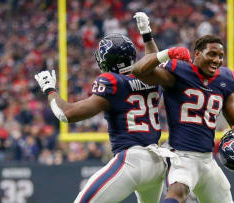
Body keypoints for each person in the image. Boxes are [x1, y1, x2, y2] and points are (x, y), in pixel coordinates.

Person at [34, 12, 187, 203]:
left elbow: (67, 114)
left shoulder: (112, 81)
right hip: (157, 163)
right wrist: (147, 35)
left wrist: (50, 90)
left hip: (132, 161)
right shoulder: (151, 78)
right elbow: (152, 61)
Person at [131, 33, 234, 203]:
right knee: (178, 192)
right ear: (198, 54)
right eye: (212, 54)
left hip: (208, 161)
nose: (217, 60)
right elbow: (139, 71)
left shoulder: (225, 78)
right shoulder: (179, 71)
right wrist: (167, 53)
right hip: (182, 157)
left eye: (220, 56)